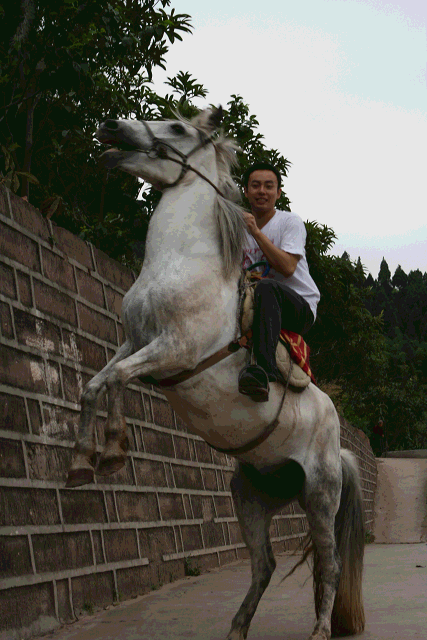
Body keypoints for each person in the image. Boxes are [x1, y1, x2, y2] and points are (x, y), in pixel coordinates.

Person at [238, 161, 320, 402]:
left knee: (267, 287)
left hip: (299, 307)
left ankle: (263, 372)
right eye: (255, 185)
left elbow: (287, 267)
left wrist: (256, 233)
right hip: (256, 301)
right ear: (246, 191)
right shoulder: (238, 230)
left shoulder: (289, 222)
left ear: (278, 192)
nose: (262, 191)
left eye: (268, 186)